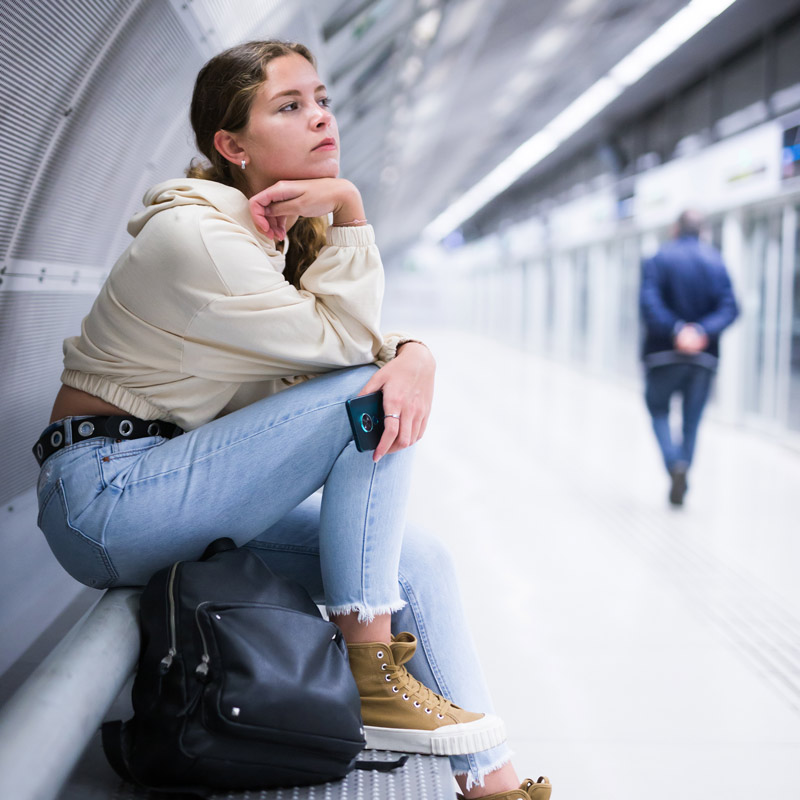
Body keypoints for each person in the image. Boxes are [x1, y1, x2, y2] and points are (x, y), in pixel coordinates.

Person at [32, 41, 551, 799]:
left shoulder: (261, 241)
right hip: (109, 497)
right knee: (368, 396)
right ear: (231, 146)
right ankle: (370, 663)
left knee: (421, 559)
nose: (319, 117)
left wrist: (413, 351)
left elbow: (339, 350)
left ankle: (493, 785)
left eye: (321, 99)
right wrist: (352, 210)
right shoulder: (196, 237)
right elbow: (343, 356)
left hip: (163, 483)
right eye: (290, 105)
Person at [639, 209, 739, 506]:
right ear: (702, 231)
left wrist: (676, 329)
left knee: (658, 409)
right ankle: (683, 464)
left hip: (662, 355)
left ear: (675, 229)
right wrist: (701, 331)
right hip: (703, 358)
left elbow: (648, 302)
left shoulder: (657, 259)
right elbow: (731, 307)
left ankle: (673, 464)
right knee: (692, 422)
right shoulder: (716, 261)